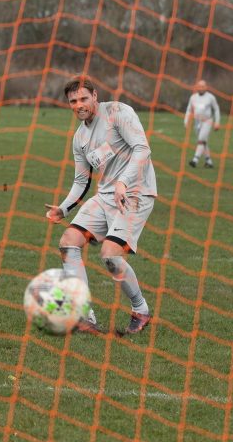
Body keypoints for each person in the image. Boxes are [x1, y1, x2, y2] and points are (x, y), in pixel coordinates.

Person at [44, 77, 157, 336]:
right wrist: (64, 209)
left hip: (136, 193)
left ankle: (141, 310)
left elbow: (142, 149)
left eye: (84, 98)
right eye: (73, 101)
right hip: (105, 196)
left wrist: (123, 182)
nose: (79, 105)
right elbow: (81, 180)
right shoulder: (80, 137)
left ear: (95, 95)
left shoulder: (117, 112)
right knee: (68, 241)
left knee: (110, 255)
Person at [184, 79, 221, 168]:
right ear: (197, 87)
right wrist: (186, 121)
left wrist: (217, 122)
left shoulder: (210, 97)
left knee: (201, 140)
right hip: (197, 122)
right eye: (199, 86)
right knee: (203, 142)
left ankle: (195, 160)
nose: (201, 88)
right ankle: (209, 161)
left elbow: (216, 109)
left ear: (206, 87)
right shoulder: (193, 97)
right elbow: (189, 109)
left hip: (207, 121)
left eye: (203, 86)